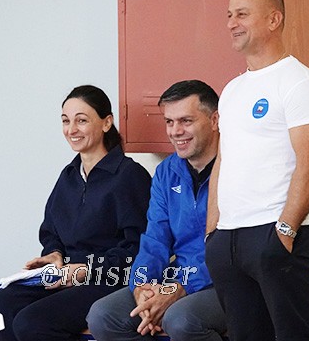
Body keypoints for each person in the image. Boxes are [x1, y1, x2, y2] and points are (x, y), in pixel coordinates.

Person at [205, 0, 309, 341]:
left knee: (294, 335)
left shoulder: (301, 83)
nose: (232, 23)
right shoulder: (232, 90)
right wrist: (213, 230)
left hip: (276, 233)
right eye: (229, 15)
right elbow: (222, 161)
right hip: (228, 238)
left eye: (242, 14)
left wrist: (286, 232)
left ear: (274, 20)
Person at [0, 85, 151, 341]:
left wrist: (86, 269)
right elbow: (51, 231)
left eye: (81, 120)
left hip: (108, 278)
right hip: (65, 276)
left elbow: (138, 248)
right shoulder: (69, 176)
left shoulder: (129, 176)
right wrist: (54, 254)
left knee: (32, 322)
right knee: (0, 308)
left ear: (106, 122)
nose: (71, 130)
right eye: (66, 121)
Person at [87, 80, 227, 341]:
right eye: (169, 122)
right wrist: (142, 286)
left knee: (181, 320)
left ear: (214, 120)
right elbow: (154, 239)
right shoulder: (166, 172)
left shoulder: (237, 167)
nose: (175, 131)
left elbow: (230, 248)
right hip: (177, 277)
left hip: (224, 280)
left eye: (186, 121)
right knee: (103, 315)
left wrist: (181, 288)